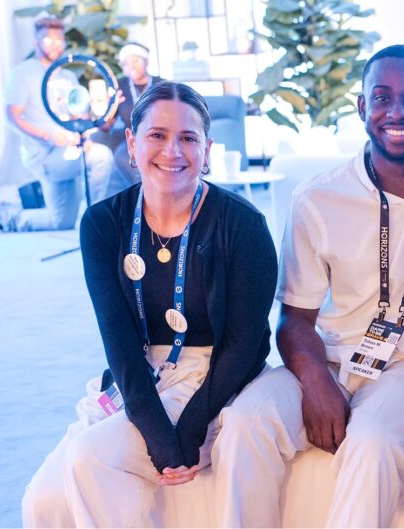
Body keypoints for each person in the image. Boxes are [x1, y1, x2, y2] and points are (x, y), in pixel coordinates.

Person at [206, 44, 404, 527]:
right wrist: (315, 381)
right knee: (245, 424)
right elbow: (294, 319)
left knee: (373, 443)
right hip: (332, 356)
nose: (397, 112)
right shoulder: (318, 197)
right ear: (361, 107)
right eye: (381, 98)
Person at [21, 81, 278, 527]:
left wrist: (191, 428)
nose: (172, 151)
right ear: (131, 142)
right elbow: (117, 341)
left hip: (216, 373)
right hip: (139, 375)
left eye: (188, 138)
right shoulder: (102, 223)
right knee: (43, 500)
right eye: (157, 135)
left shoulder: (243, 225)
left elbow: (246, 342)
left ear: (208, 148)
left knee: (88, 458)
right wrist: (156, 430)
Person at [0, 16, 113, 232]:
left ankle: (10, 218)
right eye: (48, 39)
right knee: (100, 156)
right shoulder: (23, 73)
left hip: (67, 152)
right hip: (45, 157)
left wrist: (104, 107)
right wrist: (48, 135)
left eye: (59, 39)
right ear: (36, 42)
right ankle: (97, 225)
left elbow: (78, 117)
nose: (55, 44)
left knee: (61, 222)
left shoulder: (68, 75)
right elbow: (11, 116)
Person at [96, 42, 165, 194]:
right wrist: (109, 106)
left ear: (146, 61)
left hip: (162, 138)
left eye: (136, 61)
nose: (131, 66)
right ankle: (147, 197)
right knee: (123, 157)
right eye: (126, 63)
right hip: (133, 141)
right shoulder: (118, 86)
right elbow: (106, 126)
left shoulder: (162, 84)